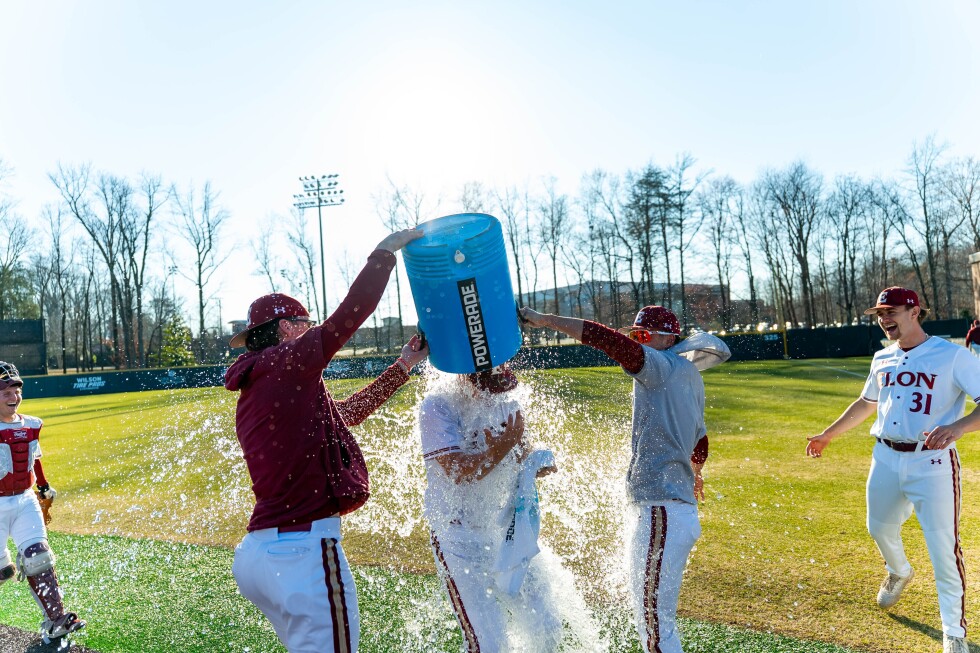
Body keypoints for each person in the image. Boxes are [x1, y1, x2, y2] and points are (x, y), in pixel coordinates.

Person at [224, 228, 428, 653]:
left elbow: (345, 415)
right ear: (285, 328)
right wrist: (384, 253)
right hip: (302, 553)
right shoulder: (287, 360)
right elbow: (347, 319)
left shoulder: (263, 376)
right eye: (305, 322)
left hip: (261, 556)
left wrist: (404, 365)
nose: (312, 329)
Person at [519, 305, 730, 653]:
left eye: (645, 337)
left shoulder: (660, 367)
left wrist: (547, 321)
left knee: (655, 627)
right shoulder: (691, 375)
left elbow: (607, 340)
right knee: (652, 622)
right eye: (636, 336)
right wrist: (697, 472)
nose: (638, 344)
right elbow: (701, 440)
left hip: (662, 511)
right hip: (670, 510)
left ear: (668, 338)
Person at [806, 287, 980, 653]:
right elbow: (866, 403)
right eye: (880, 313)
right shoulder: (882, 357)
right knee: (879, 527)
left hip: (931, 461)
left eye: (891, 311)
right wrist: (828, 434)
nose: (884, 319)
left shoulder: (952, 356)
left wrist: (959, 427)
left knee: (943, 547)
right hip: (885, 457)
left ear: (915, 311)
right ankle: (900, 571)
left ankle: (954, 632)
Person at [419, 364, 569, 652]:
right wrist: (502, 447)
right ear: (465, 379)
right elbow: (460, 473)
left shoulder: (506, 401)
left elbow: (521, 454)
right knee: (489, 643)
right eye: (488, 388)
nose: (493, 397)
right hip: (457, 538)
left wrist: (537, 462)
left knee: (548, 626)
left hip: (503, 532)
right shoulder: (437, 406)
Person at [0, 361, 85, 643]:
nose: (14, 397)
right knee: (2, 572)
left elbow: (34, 456)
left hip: (25, 500)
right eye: (6, 392)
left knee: (39, 557)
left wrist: (44, 485)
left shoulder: (32, 425)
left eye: (16, 390)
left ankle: (56, 620)